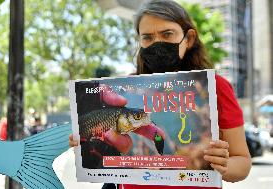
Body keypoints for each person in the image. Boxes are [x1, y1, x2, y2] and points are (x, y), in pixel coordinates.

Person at [69, 0, 251, 188]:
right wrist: (81, 139)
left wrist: (224, 165)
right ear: (139, 41)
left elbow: (243, 162)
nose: (157, 43)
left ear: (188, 39)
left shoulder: (216, 87)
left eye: (167, 34)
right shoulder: (122, 88)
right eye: (147, 37)